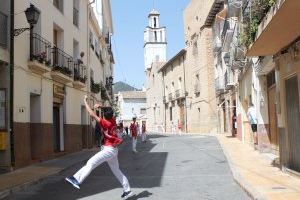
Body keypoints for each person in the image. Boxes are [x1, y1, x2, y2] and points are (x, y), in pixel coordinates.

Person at [65, 95, 132, 199]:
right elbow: (110, 110)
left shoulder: (105, 123)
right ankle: (127, 190)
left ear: (104, 116)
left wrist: (85, 101)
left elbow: (91, 113)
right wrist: (100, 107)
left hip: (108, 150)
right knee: (116, 170)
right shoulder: (112, 120)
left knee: (91, 163)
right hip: (113, 150)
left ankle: (77, 180)